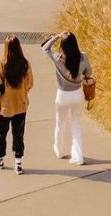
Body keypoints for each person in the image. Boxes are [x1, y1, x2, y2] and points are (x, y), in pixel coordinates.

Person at [41, 31, 93, 166]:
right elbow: (89, 73)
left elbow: (45, 48)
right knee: (75, 124)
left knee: (60, 123)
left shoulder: (58, 58)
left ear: (63, 46)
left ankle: (59, 150)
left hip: (63, 95)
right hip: (77, 94)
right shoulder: (83, 57)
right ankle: (78, 156)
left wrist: (56, 37)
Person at [0, 34, 33, 174]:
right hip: (21, 104)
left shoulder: (1, 65)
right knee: (18, 134)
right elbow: (30, 83)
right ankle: (18, 163)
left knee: (2, 132)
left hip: (5, 106)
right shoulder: (25, 64)